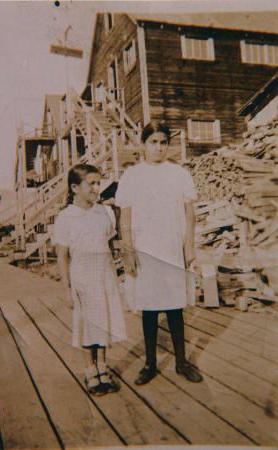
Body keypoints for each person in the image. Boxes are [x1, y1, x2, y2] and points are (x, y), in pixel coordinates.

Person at [115, 121, 203, 385]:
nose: (158, 147)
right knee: (150, 306)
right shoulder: (131, 176)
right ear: (143, 145)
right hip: (145, 250)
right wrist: (128, 251)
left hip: (171, 247)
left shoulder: (179, 174)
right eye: (153, 142)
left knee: (175, 305)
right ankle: (150, 363)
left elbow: (190, 214)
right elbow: (125, 218)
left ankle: (181, 361)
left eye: (163, 142)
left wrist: (189, 246)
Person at [53, 164, 126, 396]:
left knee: (103, 318)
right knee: (86, 322)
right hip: (82, 275)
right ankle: (89, 369)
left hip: (104, 273)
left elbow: (111, 245)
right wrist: (67, 289)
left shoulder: (104, 213)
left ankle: (103, 367)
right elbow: (62, 256)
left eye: (98, 183)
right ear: (75, 187)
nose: (97, 188)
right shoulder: (66, 217)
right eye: (91, 184)